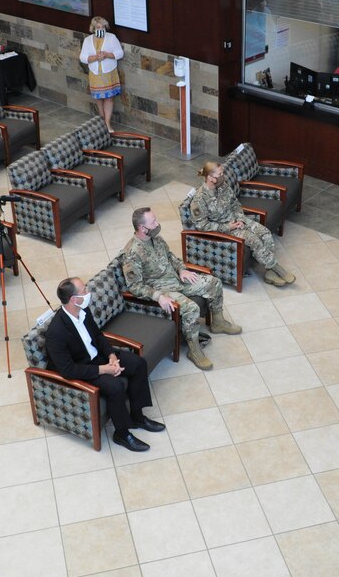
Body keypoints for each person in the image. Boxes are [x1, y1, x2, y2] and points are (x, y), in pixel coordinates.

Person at [45, 277, 166, 453]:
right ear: (73, 299)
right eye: (84, 290)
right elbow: (68, 370)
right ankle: (122, 434)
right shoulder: (56, 332)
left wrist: (111, 356)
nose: (88, 293)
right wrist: (103, 370)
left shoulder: (83, 310)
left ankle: (138, 416)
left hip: (99, 357)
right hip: (83, 368)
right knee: (115, 387)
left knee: (138, 364)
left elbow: (99, 336)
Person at [122, 207, 241, 371]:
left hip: (176, 278)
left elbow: (171, 257)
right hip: (161, 289)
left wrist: (181, 269)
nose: (157, 224)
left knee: (214, 282)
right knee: (191, 308)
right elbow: (134, 286)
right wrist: (158, 296)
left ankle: (218, 322)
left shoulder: (155, 238)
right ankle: (194, 350)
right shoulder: (132, 253)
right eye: (153, 222)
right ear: (142, 228)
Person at [191, 161, 296, 287]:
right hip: (225, 229)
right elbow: (202, 226)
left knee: (265, 233)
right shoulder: (199, 200)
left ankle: (269, 272)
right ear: (210, 177)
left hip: (238, 220)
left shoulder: (223, 186)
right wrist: (228, 226)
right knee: (253, 240)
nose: (223, 176)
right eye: (220, 174)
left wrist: (240, 218)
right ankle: (277, 269)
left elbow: (235, 204)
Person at [79, 16, 123, 132]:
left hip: (108, 72)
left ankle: (108, 124)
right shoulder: (88, 40)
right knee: (99, 99)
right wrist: (94, 58)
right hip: (95, 73)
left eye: (103, 27)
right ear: (93, 28)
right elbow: (82, 57)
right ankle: (102, 121)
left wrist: (107, 55)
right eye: (98, 27)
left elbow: (119, 53)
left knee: (109, 98)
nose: (101, 29)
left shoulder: (111, 38)